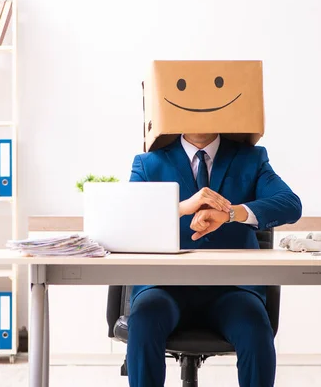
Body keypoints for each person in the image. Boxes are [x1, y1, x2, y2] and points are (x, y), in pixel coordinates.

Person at [127, 132, 302, 387]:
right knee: (144, 321)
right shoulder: (148, 163)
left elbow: (290, 205)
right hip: (165, 287)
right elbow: (130, 219)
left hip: (231, 290)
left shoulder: (251, 159)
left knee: (255, 329)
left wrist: (230, 213)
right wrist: (182, 207)